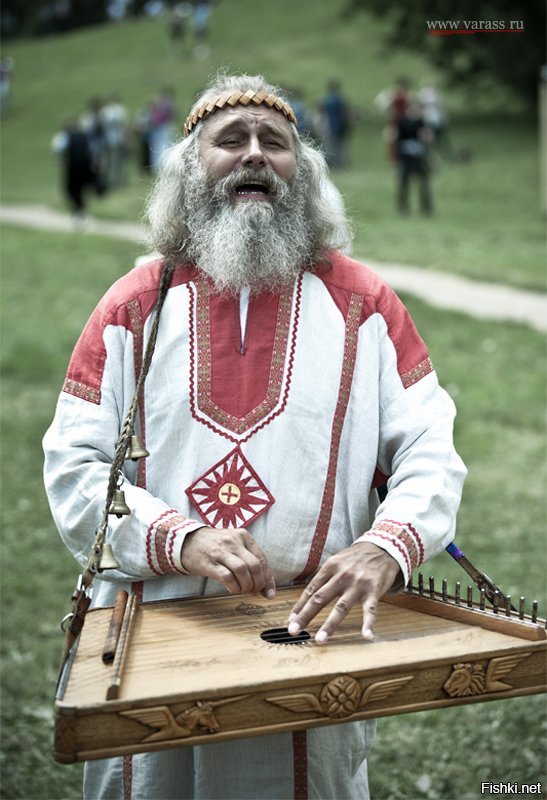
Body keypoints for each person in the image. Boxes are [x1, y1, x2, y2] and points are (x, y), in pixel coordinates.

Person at [43, 73, 466, 800]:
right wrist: (179, 538)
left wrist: (382, 545)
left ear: (302, 170)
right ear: (188, 168)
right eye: (228, 140)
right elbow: (73, 466)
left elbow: (429, 448)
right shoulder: (131, 308)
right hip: (153, 635)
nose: (253, 155)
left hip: (312, 644)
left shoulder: (365, 305)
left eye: (274, 142)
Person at [51, 115, 98, 225]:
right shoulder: (84, 136)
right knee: (81, 189)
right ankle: (81, 210)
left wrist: (61, 161)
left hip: (72, 168)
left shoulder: (65, 137)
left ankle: (79, 210)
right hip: (85, 167)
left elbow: (57, 150)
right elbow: (92, 150)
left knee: (70, 190)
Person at [394, 99, 434, 215]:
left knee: (424, 183)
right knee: (404, 183)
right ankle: (403, 208)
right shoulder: (402, 122)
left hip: (419, 157)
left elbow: (427, 139)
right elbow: (398, 139)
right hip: (406, 157)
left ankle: (426, 208)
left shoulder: (422, 122)